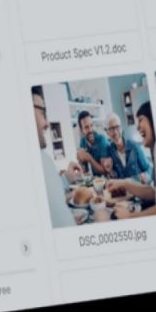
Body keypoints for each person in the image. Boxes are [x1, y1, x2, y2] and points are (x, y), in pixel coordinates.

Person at [34, 86, 76, 227]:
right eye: (43, 113)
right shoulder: (41, 160)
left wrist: (66, 178)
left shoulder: (43, 157)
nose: (47, 124)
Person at [104, 111, 151, 182]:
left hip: (138, 189)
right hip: (123, 191)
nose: (115, 132)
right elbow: (114, 177)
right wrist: (110, 172)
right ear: (107, 132)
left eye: (117, 127)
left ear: (121, 128)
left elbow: (149, 169)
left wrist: (146, 176)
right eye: (111, 129)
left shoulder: (134, 146)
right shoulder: (109, 150)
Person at [75, 110, 116, 176]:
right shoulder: (83, 141)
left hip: (110, 178)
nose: (90, 130)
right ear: (81, 130)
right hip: (96, 180)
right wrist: (80, 161)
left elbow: (105, 171)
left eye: (91, 125)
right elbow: (85, 170)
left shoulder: (102, 140)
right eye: (86, 127)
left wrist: (89, 158)